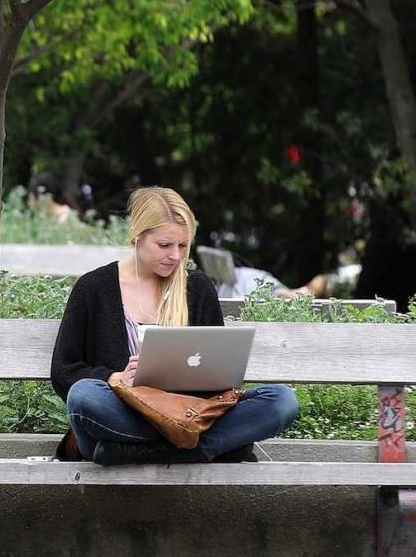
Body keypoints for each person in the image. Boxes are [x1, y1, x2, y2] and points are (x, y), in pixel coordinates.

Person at [50, 187, 299, 465]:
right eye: (164, 245)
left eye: (183, 246)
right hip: (123, 413)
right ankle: (212, 449)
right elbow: (64, 370)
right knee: (84, 398)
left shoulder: (197, 287)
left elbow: (218, 375)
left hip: (189, 414)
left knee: (282, 401)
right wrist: (114, 377)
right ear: (137, 236)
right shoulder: (93, 288)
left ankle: (135, 453)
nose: (176, 256)